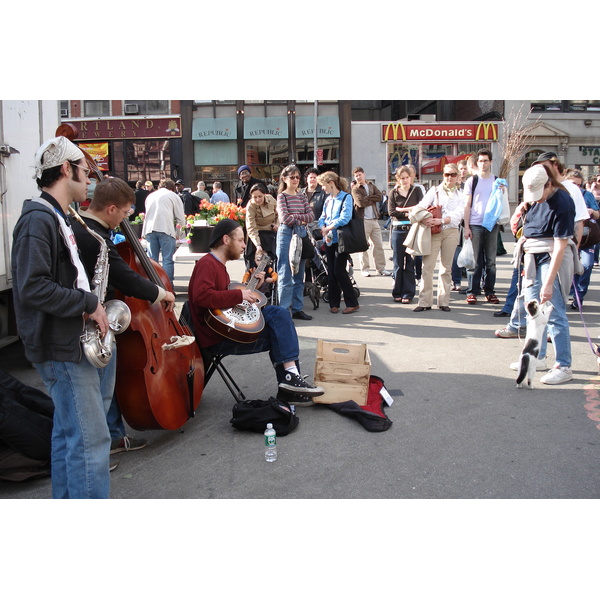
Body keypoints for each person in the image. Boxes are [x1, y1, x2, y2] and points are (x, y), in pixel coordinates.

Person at [11, 135, 112, 498]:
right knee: (91, 441)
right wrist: (88, 303)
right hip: (62, 346)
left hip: (66, 341)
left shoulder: (57, 216)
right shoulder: (39, 219)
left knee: (70, 436)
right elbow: (32, 287)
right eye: (85, 172)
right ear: (66, 169)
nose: (90, 180)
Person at [72, 177, 176, 455]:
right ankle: (98, 451)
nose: (125, 218)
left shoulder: (85, 229)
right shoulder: (94, 237)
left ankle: (114, 436)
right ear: (111, 209)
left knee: (103, 389)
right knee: (100, 393)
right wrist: (161, 293)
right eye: (125, 212)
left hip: (93, 317)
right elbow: (126, 278)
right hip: (94, 323)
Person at [187, 218, 324, 404]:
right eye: (241, 240)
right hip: (218, 337)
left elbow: (223, 302)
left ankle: (290, 381)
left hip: (226, 329)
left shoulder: (218, 266)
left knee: (280, 322)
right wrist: (240, 296)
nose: (244, 245)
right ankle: (290, 381)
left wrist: (251, 289)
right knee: (280, 321)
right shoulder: (207, 264)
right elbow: (201, 296)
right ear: (226, 240)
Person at [508, 164, 579, 385]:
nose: (536, 199)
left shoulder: (563, 203)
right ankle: (539, 356)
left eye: (539, 193)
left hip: (550, 255)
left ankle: (564, 365)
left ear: (549, 184)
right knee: (533, 311)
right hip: (532, 253)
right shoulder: (533, 201)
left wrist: (549, 283)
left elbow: (560, 247)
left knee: (554, 310)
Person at [413, 164, 465, 312]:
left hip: (451, 231)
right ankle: (424, 302)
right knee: (427, 267)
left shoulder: (461, 194)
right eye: (447, 174)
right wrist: (424, 219)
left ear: (458, 177)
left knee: (446, 268)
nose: (450, 177)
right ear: (443, 175)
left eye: (453, 175)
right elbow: (421, 206)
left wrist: (441, 220)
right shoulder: (434, 191)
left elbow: (458, 215)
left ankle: (444, 301)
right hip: (434, 232)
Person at [463, 149, 502, 305]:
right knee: (475, 260)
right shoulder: (472, 181)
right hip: (476, 223)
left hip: (492, 224)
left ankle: (490, 291)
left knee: (491, 261)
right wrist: (466, 226)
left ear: (491, 162)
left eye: (486, 160)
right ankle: (472, 291)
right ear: (476, 163)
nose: (483, 163)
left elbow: (501, 202)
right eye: (480, 161)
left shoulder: (497, 181)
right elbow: (467, 205)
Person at [318, 171, 360, 314]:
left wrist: (329, 227)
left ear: (331, 183)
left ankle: (352, 302)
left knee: (339, 271)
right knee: (331, 272)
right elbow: (322, 216)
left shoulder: (346, 197)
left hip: (341, 239)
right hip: (329, 239)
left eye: (323, 185)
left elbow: (345, 217)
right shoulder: (328, 199)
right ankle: (333, 303)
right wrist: (323, 226)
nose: (322, 188)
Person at [276, 164, 314, 321]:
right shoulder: (281, 197)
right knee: (285, 272)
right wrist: (301, 218)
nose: (296, 180)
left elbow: (311, 216)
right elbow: (284, 218)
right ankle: (284, 311)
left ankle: (297, 308)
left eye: (298, 177)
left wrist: (296, 217)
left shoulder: (302, 196)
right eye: (292, 177)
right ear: (284, 179)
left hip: (301, 234)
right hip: (286, 234)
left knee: (299, 274)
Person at [388, 165, 424, 303]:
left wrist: (402, 210)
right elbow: (391, 212)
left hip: (412, 229)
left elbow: (421, 207)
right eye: (402, 178)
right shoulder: (393, 193)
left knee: (410, 261)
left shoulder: (416, 190)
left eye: (407, 177)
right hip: (398, 229)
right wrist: (409, 213)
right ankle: (397, 291)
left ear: (411, 177)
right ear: (398, 179)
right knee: (397, 262)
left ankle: (408, 293)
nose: (405, 181)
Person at [142, 178, 186, 286]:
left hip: (150, 229)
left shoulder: (150, 196)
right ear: (172, 188)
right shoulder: (173, 196)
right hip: (166, 229)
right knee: (167, 260)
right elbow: (180, 218)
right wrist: (179, 234)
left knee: (152, 260)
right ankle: (167, 286)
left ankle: (153, 286)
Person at [567, 169, 599, 310]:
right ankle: (571, 290)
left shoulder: (587, 195)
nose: (577, 188)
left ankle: (579, 295)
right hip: (568, 236)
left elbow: (597, 214)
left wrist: (592, 212)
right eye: (574, 184)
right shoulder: (562, 195)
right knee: (570, 265)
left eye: (579, 185)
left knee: (587, 264)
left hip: (586, 238)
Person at [351, 167, 392, 277]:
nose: (358, 177)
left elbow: (379, 197)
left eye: (360, 174)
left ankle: (381, 268)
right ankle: (365, 269)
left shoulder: (371, 186)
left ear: (364, 174)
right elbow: (360, 203)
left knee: (378, 245)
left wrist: (367, 198)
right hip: (363, 220)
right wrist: (370, 199)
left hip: (374, 219)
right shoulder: (355, 189)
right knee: (363, 246)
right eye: (356, 175)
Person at [244, 181, 278, 268]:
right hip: (256, 235)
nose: (258, 199)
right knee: (253, 264)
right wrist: (258, 245)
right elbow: (251, 227)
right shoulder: (250, 206)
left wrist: (277, 224)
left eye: (260, 196)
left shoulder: (271, 199)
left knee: (272, 263)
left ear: (264, 195)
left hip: (271, 234)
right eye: (254, 197)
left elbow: (278, 214)